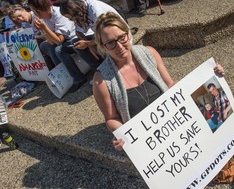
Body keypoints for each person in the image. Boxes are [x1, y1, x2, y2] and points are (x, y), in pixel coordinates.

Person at [92, 12, 225, 150]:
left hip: (174, 124)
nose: (119, 46)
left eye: (121, 38)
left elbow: (170, 85)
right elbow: (111, 118)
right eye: (111, 43)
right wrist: (122, 136)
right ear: (103, 46)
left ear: (128, 34)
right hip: (148, 143)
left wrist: (212, 75)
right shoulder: (101, 80)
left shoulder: (149, 53)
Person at [28, 0, 92, 92]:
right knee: (46, 47)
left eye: (34, 10)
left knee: (58, 50)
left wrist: (44, 28)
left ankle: (78, 78)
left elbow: (59, 41)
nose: (33, 14)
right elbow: (52, 42)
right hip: (64, 41)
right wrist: (43, 29)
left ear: (39, 9)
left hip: (77, 37)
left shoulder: (58, 14)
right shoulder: (43, 17)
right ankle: (64, 76)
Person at [58, 0, 121, 75]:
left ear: (75, 11)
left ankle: (113, 68)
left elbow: (108, 36)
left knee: (98, 44)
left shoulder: (95, 10)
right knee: (76, 43)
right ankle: (99, 71)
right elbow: (78, 32)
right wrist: (89, 45)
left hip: (116, 36)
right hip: (102, 34)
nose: (70, 20)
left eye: (70, 17)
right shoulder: (82, 10)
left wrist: (88, 43)